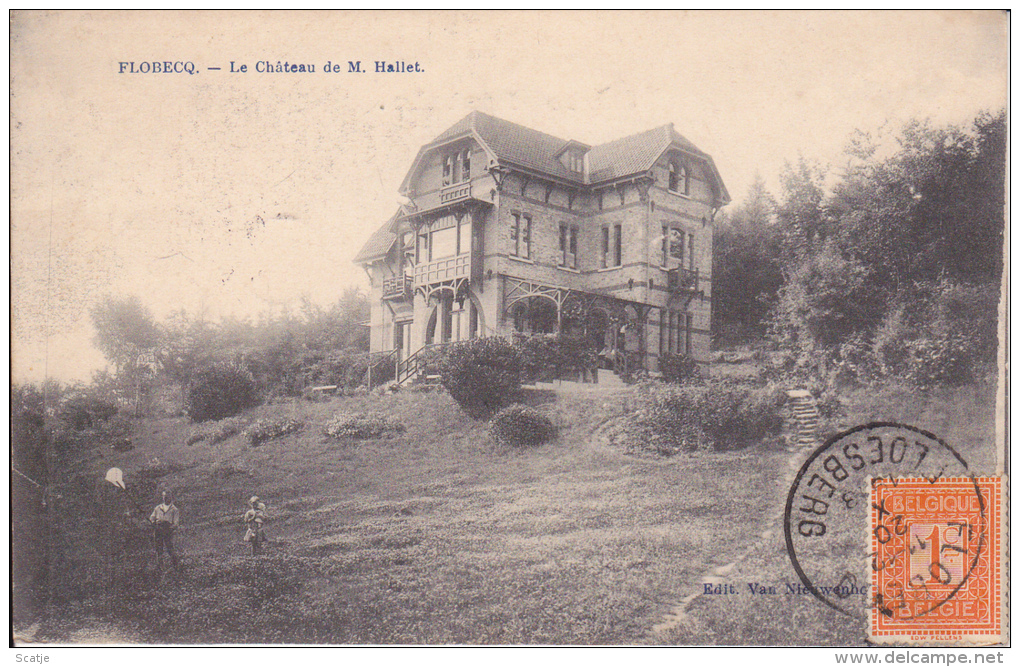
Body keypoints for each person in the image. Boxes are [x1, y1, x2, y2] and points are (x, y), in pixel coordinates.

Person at [149, 490, 180, 571]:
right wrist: (153, 523)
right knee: (159, 549)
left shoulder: (174, 509)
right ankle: (160, 567)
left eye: (167, 496)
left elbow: (176, 523)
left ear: (170, 497)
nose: (165, 498)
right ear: (162, 497)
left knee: (170, 548)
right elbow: (151, 518)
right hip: (158, 530)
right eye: (164, 496)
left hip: (168, 530)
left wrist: (169, 529)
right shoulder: (157, 508)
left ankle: (176, 566)